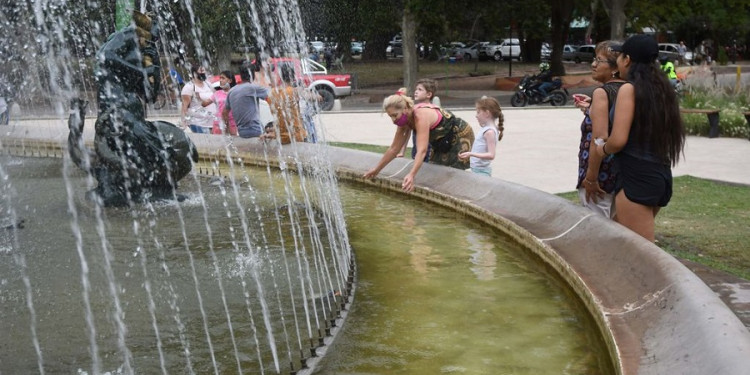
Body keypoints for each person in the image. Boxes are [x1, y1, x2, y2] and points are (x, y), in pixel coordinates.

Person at [596, 34, 685, 241]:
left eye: (619, 56)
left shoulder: (629, 89)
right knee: (618, 243)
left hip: (636, 178)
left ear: (626, 60)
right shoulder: (662, 89)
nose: (617, 61)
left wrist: (603, 149)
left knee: (643, 255)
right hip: (658, 174)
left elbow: (618, 140)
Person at [363, 94, 474, 192]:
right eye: (390, 116)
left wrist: (411, 175)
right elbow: (394, 149)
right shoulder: (403, 122)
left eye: (395, 115)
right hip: (441, 140)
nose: (393, 120)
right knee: (436, 168)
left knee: (454, 171)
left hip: (459, 134)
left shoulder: (420, 117)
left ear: (405, 109)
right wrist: (377, 169)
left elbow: (422, 150)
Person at [573, 41, 626, 218]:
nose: (593, 64)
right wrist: (591, 109)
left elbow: (600, 138)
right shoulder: (628, 91)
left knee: (596, 230)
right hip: (620, 175)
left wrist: (591, 178)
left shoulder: (602, 93)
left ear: (614, 68)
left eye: (599, 60)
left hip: (600, 176)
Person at [223, 61, 270, 139]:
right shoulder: (252, 88)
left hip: (241, 132)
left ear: (241, 75)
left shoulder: (232, 91)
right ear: (252, 75)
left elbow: (224, 112)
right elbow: (274, 96)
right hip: (256, 130)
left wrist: (228, 128)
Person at [458, 96, 503, 176]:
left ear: (487, 113)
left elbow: (491, 155)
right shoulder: (487, 128)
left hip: (481, 172)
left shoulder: (489, 132)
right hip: (477, 170)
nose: (476, 115)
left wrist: (471, 154)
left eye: (478, 112)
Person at [397, 78, 440, 159]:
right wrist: (402, 151)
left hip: (430, 153)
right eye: (416, 89)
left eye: (420, 90)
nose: (416, 92)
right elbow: (407, 131)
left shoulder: (431, 111)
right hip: (417, 152)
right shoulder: (414, 110)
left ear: (429, 95)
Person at [266, 65, 307, 144]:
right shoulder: (294, 92)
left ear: (280, 76)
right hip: (296, 136)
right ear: (293, 77)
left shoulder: (273, 93)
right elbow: (309, 96)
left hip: (281, 137)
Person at [180, 64, 217, 133]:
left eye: (204, 71)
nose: (203, 73)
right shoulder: (189, 87)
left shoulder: (208, 84)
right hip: (198, 123)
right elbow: (184, 106)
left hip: (212, 122)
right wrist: (184, 122)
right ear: (194, 73)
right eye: (201, 71)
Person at [208, 70, 237, 135]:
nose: (220, 80)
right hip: (218, 123)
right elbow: (204, 103)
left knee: (233, 142)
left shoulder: (235, 93)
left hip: (231, 123)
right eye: (220, 78)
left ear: (230, 80)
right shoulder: (217, 93)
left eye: (223, 78)